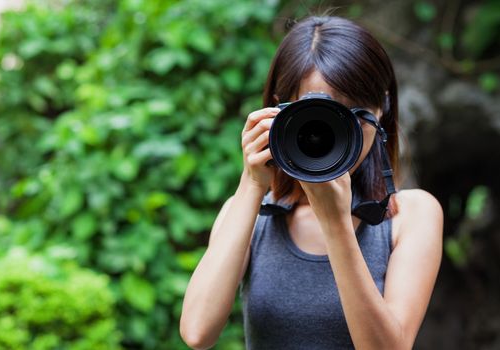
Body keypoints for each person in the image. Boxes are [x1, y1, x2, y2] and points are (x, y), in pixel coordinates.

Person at [180, 15, 443, 350]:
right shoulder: (248, 213)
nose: (334, 134)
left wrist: (336, 224)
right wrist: (252, 183)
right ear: (280, 111)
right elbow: (197, 332)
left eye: (351, 115)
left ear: (382, 109)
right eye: (317, 116)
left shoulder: (410, 215)